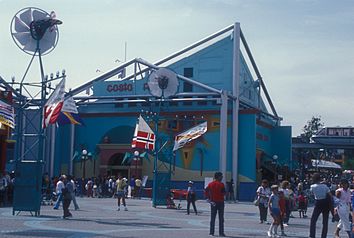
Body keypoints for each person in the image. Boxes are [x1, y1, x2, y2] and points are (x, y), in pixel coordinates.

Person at [309, 173, 332, 238]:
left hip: (318, 202)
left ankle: (312, 235)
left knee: (313, 220)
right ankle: (323, 236)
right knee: (325, 222)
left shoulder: (312, 186)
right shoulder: (325, 186)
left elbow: (311, 193)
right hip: (325, 203)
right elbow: (330, 195)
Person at [205, 172, 226, 237]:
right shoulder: (222, 184)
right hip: (220, 202)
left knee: (212, 218)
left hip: (213, 202)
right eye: (221, 176)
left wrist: (209, 198)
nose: (222, 177)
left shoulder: (210, 184)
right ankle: (221, 233)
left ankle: (211, 232)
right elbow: (224, 193)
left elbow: (206, 191)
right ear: (218, 177)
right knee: (221, 218)